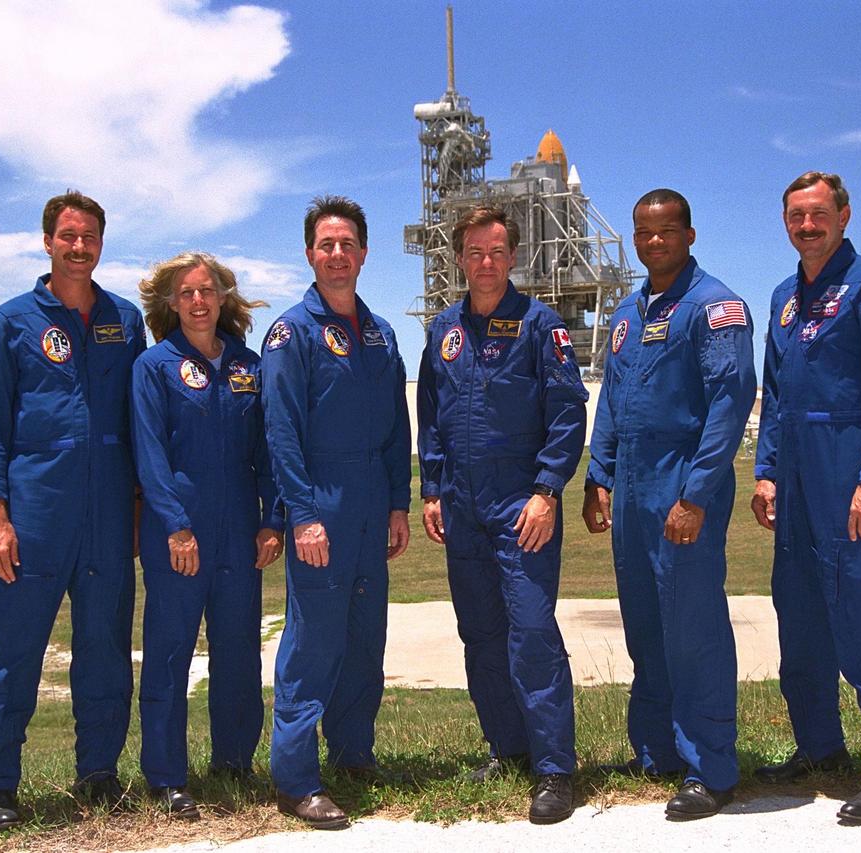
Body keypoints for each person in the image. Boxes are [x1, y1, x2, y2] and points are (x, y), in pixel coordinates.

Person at [0, 190, 146, 830]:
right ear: (47, 241)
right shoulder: (11, 322)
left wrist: (138, 507)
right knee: (14, 653)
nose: (78, 246)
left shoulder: (124, 320)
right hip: (35, 515)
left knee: (104, 651)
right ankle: (1, 787)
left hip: (106, 518)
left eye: (89, 236)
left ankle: (98, 774)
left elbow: (141, 419)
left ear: (101, 243)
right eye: (67, 235)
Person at [582, 189, 755, 819]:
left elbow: (729, 405)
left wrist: (696, 495)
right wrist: (598, 475)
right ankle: (657, 750)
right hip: (630, 482)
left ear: (689, 234)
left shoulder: (714, 307)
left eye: (665, 231)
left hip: (681, 478)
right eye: (643, 232)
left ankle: (710, 767)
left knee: (693, 626)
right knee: (646, 622)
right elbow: (611, 399)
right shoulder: (629, 312)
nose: (653, 242)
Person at [751, 171, 861, 823]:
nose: (808, 225)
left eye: (819, 213)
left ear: (844, 215)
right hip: (793, 478)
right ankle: (819, 746)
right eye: (797, 215)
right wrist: (765, 471)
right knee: (801, 615)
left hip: (850, 474)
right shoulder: (784, 298)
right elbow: (775, 393)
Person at [416, 205, 588, 825]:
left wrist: (548, 490)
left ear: (512, 257)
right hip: (462, 507)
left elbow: (568, 411)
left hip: (523, 506)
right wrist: (432, 488)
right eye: (474, 253)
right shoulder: (443, 330)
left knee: (533, 634)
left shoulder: (542, 326)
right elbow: (430, 415)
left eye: (496, 252)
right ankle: (508, 746)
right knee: (482, 636)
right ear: (459, 258)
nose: (485, 263)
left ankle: (553, 768)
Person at [260, 195, 411, 830]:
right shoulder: (291, 333)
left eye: (348, 244)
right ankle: (296, 778)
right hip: (318, 498)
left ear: (364, 253)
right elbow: (280, 429)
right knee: (313, 641)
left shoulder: (380, 333)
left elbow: (396, 428)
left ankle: (353, 755)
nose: (338, 255)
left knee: (362, 639)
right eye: (326, 245)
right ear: (309, 254)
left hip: (371, 502)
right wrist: (301, 512)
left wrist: (399, 502)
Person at [130, 252, 284, 820]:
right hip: (180, 535)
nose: (198, 301)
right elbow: (150, 455)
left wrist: (273, 521)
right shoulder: (153, 368)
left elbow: (267, 451)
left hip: (240, 531)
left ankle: (235, 762)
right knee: (170, 653)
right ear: (171, 304)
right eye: (187, 293)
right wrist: (175, 527)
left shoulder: (248, 366)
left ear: (223, 297)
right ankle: (167, 776)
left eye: (208, 291)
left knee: (240, 650)